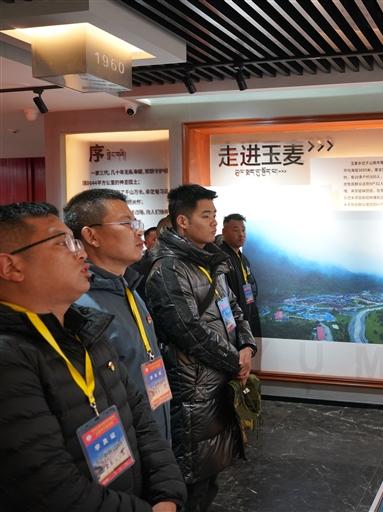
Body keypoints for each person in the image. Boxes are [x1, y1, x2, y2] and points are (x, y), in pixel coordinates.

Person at [0, 202, 185, 511]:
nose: (81, 254)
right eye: (62, 244)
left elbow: (141, 422)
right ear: (11, 267)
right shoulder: (10, 359)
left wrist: (168, 492)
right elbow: (53, 489)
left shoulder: (86, 331)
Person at [144, 185, 256, 512]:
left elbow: (235, 308)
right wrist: (235, 360)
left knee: (209, 478)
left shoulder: (209, 261)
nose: (213, 222)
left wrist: (246, 345)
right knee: (191, 481)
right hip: (192, 387)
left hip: (216, 381)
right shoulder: (169, 268)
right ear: (182, 221)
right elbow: (189, 331)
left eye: (214, 215)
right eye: (206, 216)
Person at [64, 189, 172, 443]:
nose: (138, 232)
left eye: (136, 223)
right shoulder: (80, 305)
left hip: (155, 433)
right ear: (91, 235)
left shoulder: (127, 287)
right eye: (126, 224)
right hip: (123, 445)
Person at [217, 213, 263, 346]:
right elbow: (221, 297)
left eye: (243, 230)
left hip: (245, 317)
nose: (241, 234)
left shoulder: (243, 259)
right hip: (231, 324)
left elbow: (249, 288)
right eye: (236, 230)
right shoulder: (221, 258)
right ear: (224, 232)